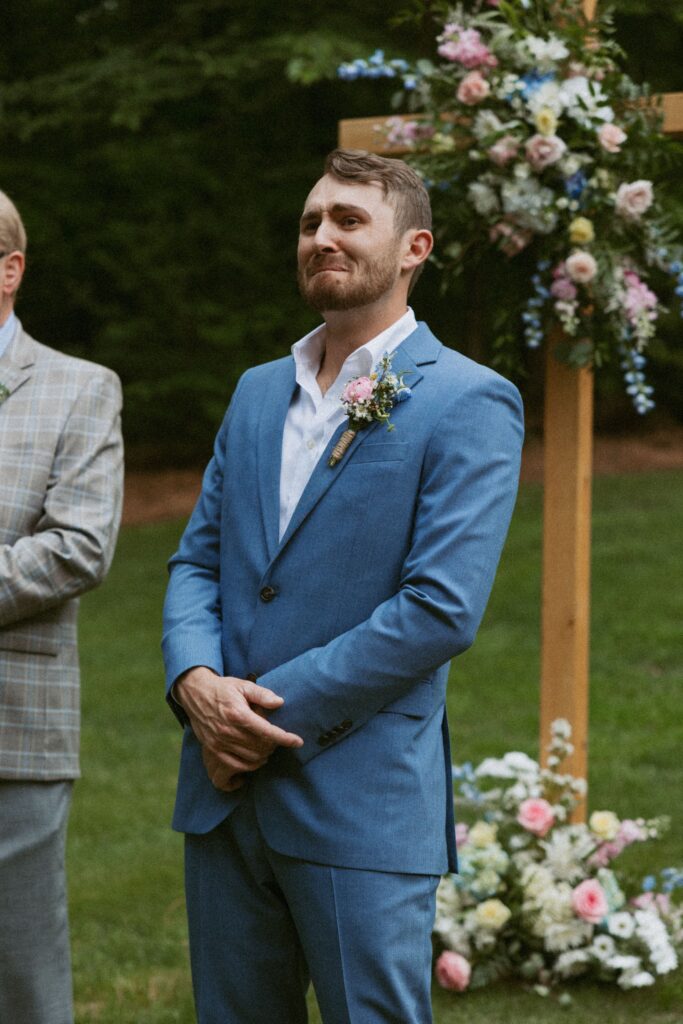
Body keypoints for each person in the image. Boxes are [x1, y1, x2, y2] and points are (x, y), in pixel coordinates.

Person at [162, 148, 524, 1024]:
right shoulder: (256, 393)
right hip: (222, 793)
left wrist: (258, 720)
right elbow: (196, 564)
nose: (321, 236)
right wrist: (197, 686)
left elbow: (439, 609)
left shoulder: (468, 401)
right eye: (309, 221)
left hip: (357, 798)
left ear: (415, 248)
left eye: (348, 220)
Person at [0, 189, 123, 1024]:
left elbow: (80, 546)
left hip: (12, 725)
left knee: (20, 975)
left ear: (8, 270)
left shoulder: (79, 390)